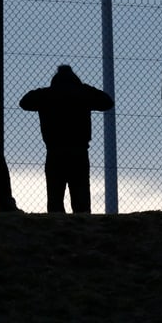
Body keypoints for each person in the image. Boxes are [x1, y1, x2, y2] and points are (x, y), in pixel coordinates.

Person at [19, 65, 114, 213]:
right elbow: (107, 102)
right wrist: (85, 89)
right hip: (79, 152)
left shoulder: (47, 95)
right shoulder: (83, 94)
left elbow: (24, 102)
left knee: (55, 198)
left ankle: (57, 230)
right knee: (81, 199)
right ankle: (82, 230)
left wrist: (47, 92)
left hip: (55, 152)